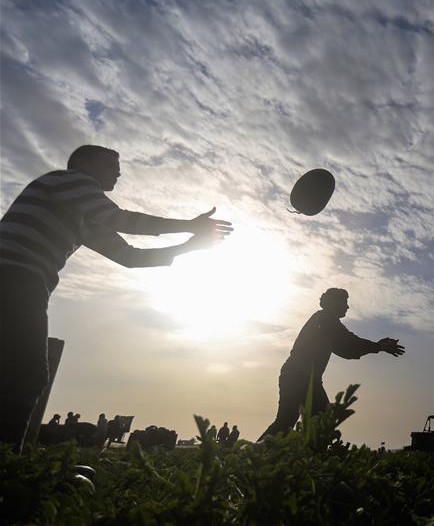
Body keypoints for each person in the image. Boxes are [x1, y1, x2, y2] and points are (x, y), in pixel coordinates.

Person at [0, 145, 233, 453]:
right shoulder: (71, 180)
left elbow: (130, 257)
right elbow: (123, 220)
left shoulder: (82, 215)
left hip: (23, 282)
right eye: (111, 165)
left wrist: (191, 246)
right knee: (27, 376)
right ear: (84, 163)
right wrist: (189, 225)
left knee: (16, 373)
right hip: (16, 276)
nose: (119, 172)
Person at [259, 288, 406, 439]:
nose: (347, 306)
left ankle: (280, 456)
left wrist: (377, 346)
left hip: (302, 377)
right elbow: (349, 342)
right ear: (332, 301)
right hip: (300, 377)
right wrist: (379, 347)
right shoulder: (325, 318)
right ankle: (258, 455)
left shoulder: (325, 321)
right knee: (316, 422)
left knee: (295, 423)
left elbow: (346, 349)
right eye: (344, 301)